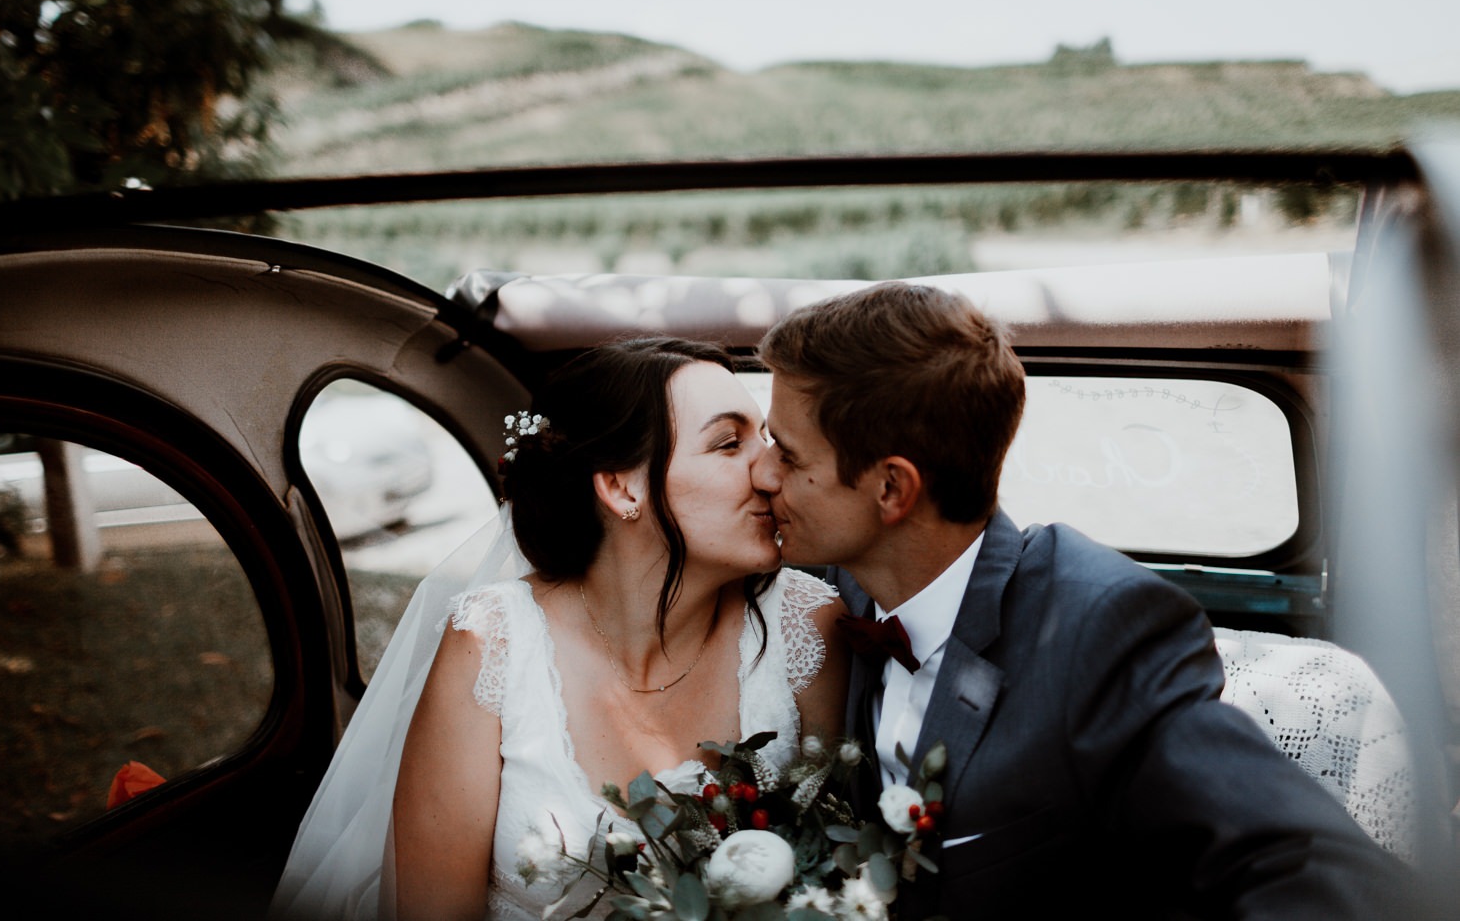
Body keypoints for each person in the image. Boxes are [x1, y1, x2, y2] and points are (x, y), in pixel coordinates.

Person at [752, 282, 1407, 919]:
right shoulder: (833, 587)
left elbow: (1300, 866)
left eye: (786, 452)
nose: (762, 473)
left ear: (892, 488)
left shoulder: (1099, 625)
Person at [270, 337, 848, 920]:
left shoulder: (808, 628)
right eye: (729, 443)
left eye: (768, 441)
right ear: (623, 488)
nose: (773, 472)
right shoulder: (491, 643)